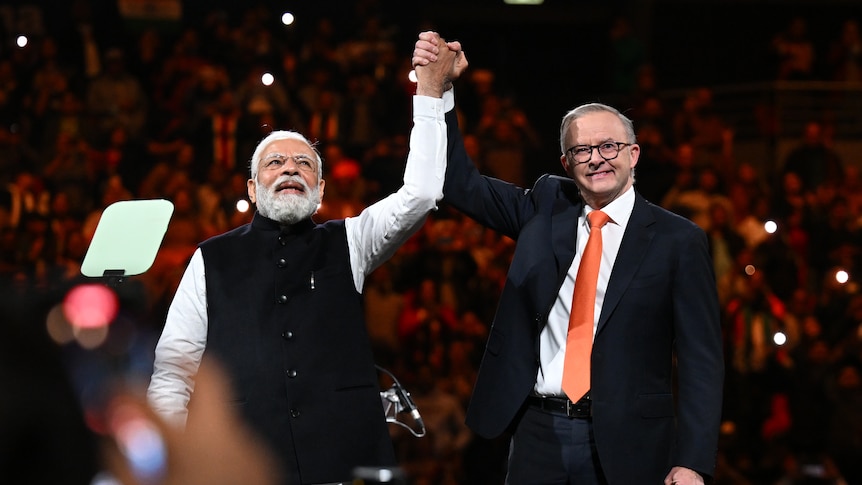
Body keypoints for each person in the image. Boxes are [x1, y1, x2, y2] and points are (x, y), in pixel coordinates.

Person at [413, 32, 724, 484]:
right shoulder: (546, 205)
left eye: (610, 147)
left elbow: (701, 360)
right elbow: (459, 182)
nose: (597, 159)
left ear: (633, 154)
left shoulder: (679, 240)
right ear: (565, 161)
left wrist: (693, 459)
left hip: (631, 441)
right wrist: (439, 89)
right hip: (539, 430)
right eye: (582, 150)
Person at [146, 53, 455, 483]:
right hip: (246, 465)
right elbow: (174, 370)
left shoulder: (351, 240)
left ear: (321, 188)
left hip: (347, 462)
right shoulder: (209, 258)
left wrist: (430, 93)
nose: (290, 166)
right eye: (275, 162)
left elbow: (421, 194)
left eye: (304, 163)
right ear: (252, 189)